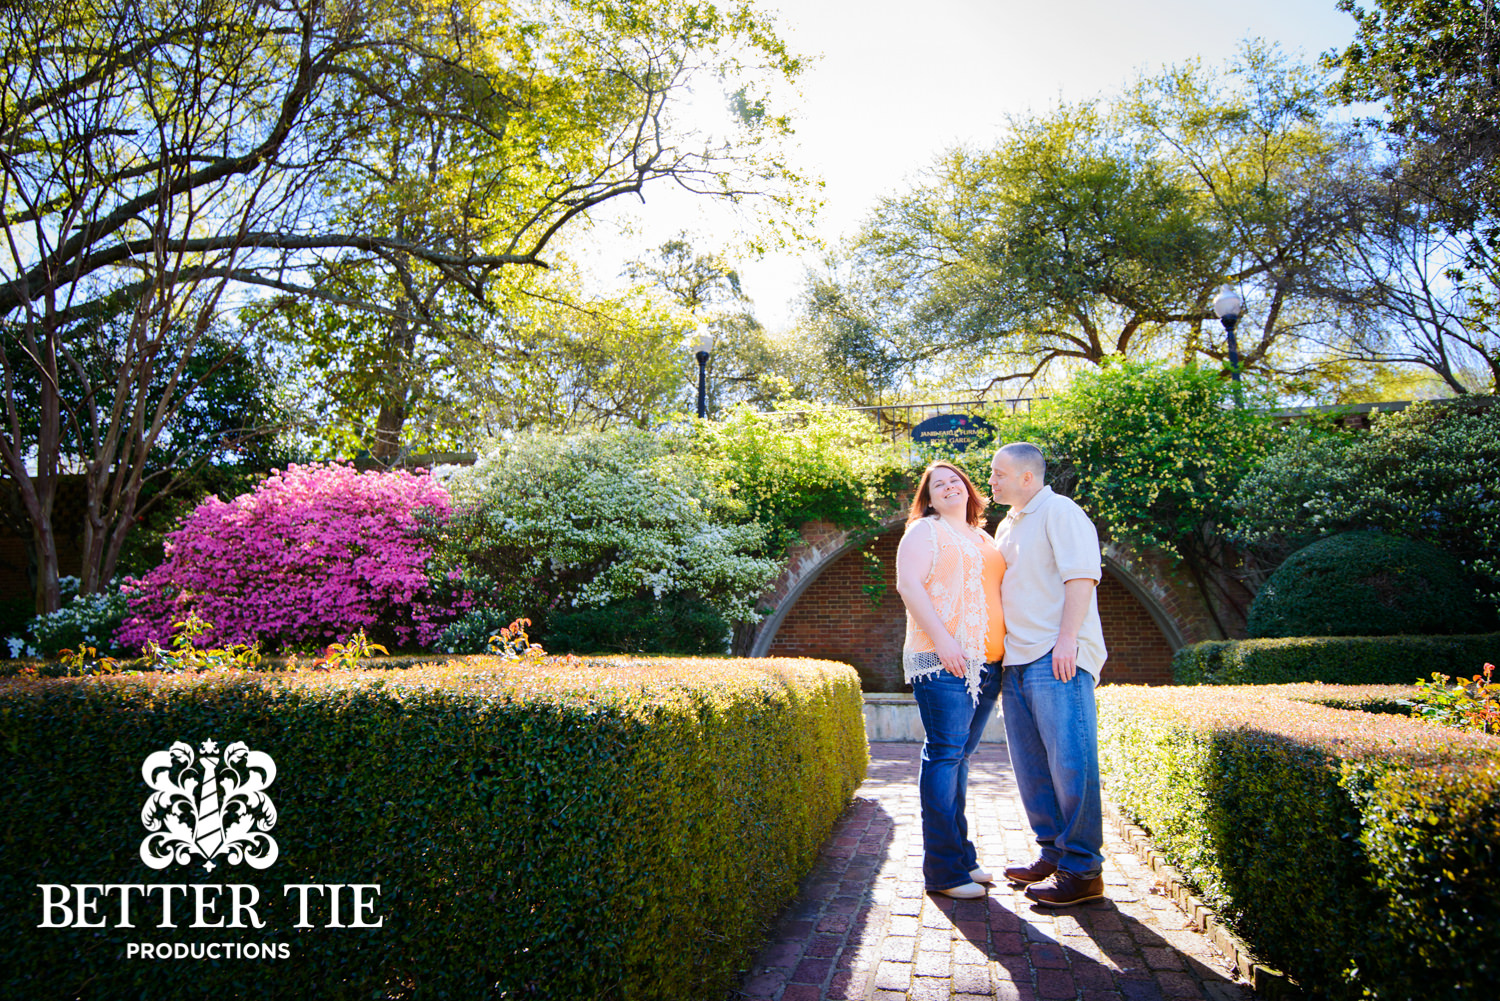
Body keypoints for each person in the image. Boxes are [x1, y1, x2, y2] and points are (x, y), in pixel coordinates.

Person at [988, 442, 1109, 907]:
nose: (992, 481)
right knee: (1033, 768)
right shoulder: (1009, 524)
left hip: (1054, 656)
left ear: (1027, 477)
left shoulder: (1061, 511)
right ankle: (1053, 854)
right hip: (1015, 661)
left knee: (1071, 764)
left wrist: (1067, 642)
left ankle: (1082, 870)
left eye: (999, 474)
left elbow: (1081, 577)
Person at [895, 461, 1007, 899]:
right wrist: (942, 641)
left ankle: (963, 858)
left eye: (954, 480)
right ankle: (943, 872)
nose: (947, 487)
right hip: (944, 663)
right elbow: (909, 585)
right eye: (936, 484)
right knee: (944, 756)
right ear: (928, 497)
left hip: (989, 664)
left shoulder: (984, 537)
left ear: (968, 488)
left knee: (959, 759)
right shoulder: (925, 531)